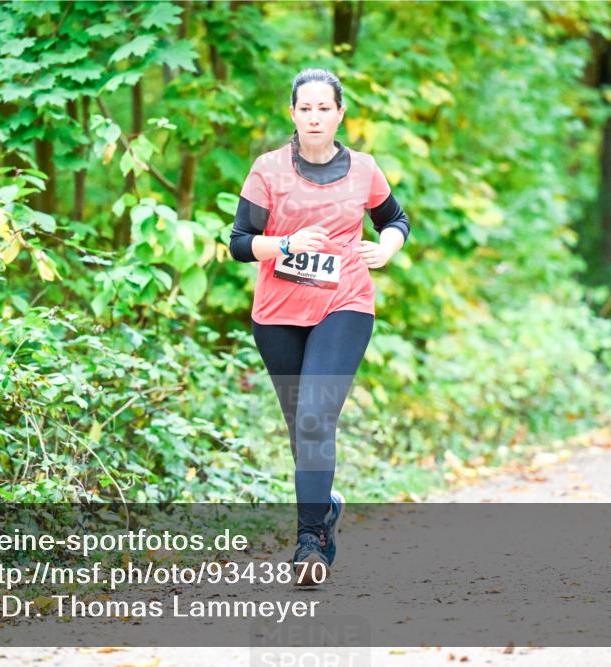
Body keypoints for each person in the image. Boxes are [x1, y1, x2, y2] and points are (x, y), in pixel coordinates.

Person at [229, 68, 411, 585]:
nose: (313, 117)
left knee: (314, 416)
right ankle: (325, 506)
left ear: (339, 113)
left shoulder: (364, 169)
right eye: (304, 108)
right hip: (277, 314)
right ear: (292, 113)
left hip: (344, 303)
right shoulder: (267, 170)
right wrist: (285, 245)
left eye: (323, 108)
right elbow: (241, 242)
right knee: (301, 428)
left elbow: (396, 220)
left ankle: (311, 544)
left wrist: (388, 247)